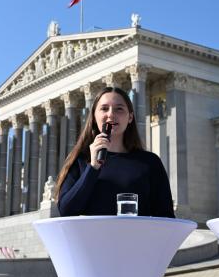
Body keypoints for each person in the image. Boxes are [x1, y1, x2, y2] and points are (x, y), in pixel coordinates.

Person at [56, 86, 175, 218]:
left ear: (130, 117)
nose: (111, 114)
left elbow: (166, 214)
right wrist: (93, 168)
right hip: (94, 237)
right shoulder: (80, 161)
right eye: (104, 108)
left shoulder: (150, 162)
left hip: (136, 237)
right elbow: (66, 211)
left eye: (119, 109)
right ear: (94, 117)